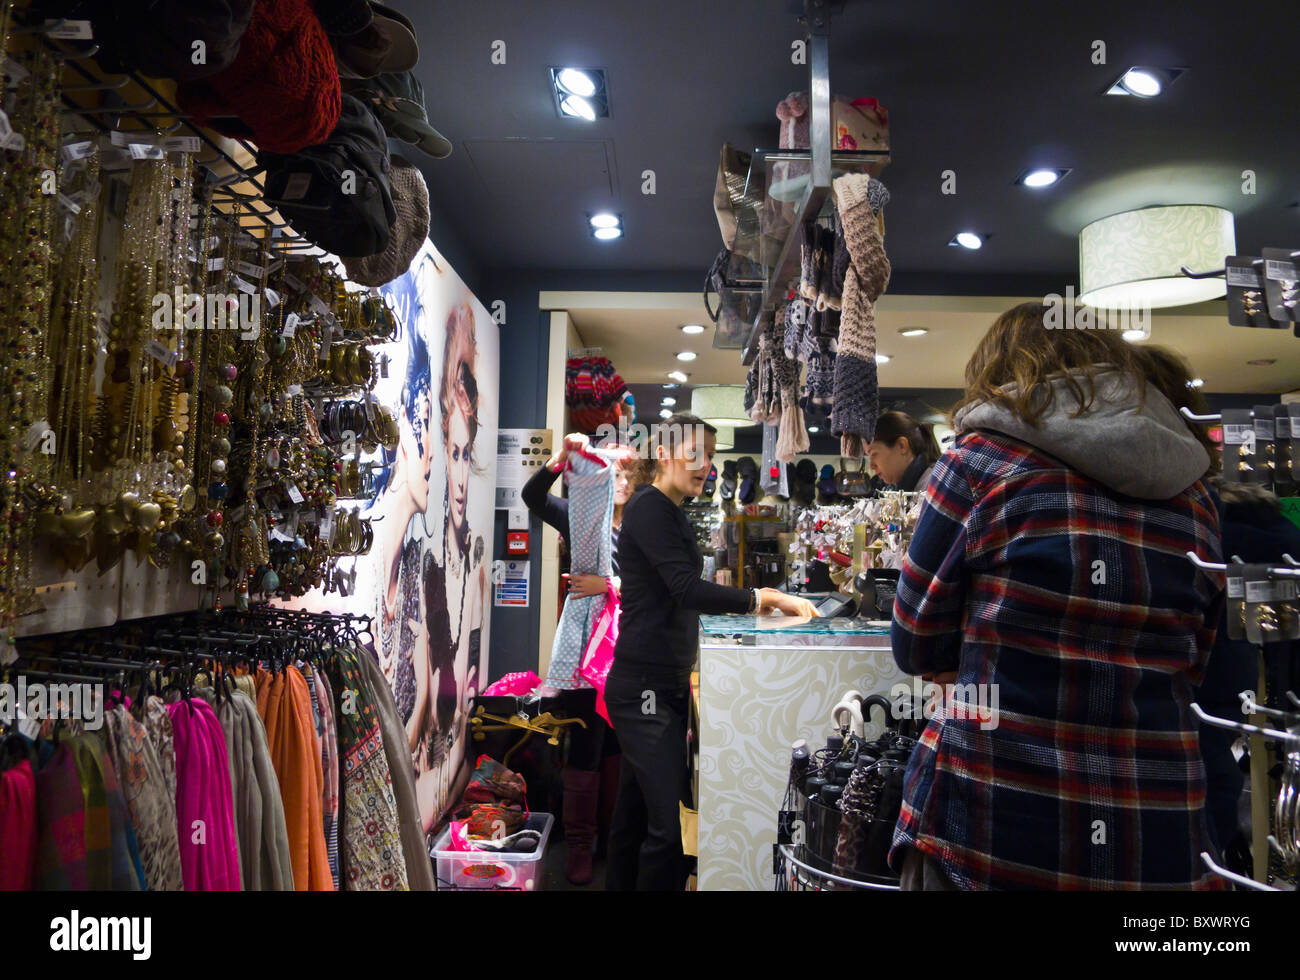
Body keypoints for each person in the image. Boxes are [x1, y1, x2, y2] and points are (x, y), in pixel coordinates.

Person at [889, 302, 1225, 890]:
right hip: (1158, 822)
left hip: (993, 816)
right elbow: (1196, 659)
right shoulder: (1194, 494)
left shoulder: (978, 464)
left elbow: (915, 639)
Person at [607, 412, 819, 890]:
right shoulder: (650, 508)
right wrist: (763, 598)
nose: (706, 465)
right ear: (663, 453)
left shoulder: (667, 510)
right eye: (695, 453)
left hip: (661, 683)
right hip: (645, 690)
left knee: (635, 817)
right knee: (667, 832)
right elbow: (684, 588)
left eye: (712, 455)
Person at [522, 431, 642, 885]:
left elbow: (655, 587)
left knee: (616, 744)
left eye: (625, 474)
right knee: (586, 741)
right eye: (615, 473)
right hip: (582, 651)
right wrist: (558, 461)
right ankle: (578, 847)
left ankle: (611, 839)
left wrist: (607, 587)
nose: (619, 481)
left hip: (624, 648)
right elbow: (532, 497)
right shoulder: (579, 516)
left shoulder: (638, 531)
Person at [866, 410, 941, 492]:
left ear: (902, 446)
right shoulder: (913, 485)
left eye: (874, 454)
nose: (871, 466)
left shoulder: (935, 487)